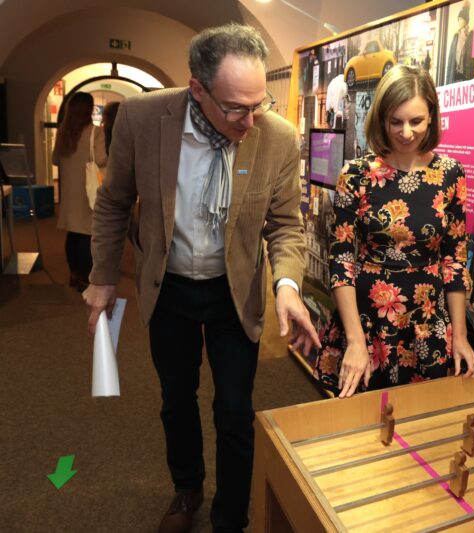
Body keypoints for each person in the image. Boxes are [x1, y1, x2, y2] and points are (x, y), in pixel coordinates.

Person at [82, 23, 320, 533]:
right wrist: (103, 277)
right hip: (167, 287)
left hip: (235, 291)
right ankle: (187, 488)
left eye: (258, 104)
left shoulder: (277, 137)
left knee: (235, 409)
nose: (249, 121)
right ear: (197, 89)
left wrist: (287, 287)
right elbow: (114, 201)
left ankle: (231, 515)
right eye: (235, 108)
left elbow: (285, 225)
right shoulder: (144, 119)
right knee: (176, 398)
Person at [314, 64, 474, 398]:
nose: (406, 132)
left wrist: (461, 336)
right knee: (361, 421)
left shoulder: (450, 174)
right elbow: (341, 261)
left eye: (416, 121)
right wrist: (355, 341)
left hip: (426, 323)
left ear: (431, 117)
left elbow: (454, 260)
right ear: (382, 119)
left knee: (425, 420)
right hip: (368, 322)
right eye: (396, 122)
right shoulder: (356, 174)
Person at [53, 91, 107, 292]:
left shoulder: (63, 132)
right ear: (89, 110)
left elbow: (55, 160)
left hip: (69, 191)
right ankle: (84, 277)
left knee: (73, 233)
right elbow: (100, 159)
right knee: (87, 234)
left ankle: (74, 273)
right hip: (88, 190)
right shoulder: (95, 132)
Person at [446, 2, 474, 84]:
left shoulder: (471, 36)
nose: (459, 21)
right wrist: (447, 80)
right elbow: (450, 58)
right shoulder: (456, 36)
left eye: (461, 19)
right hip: (455, 74)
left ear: (466, 20)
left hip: (466, 75)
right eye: (458, 19)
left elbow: (471, 59)